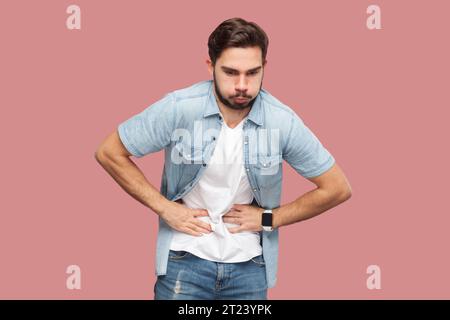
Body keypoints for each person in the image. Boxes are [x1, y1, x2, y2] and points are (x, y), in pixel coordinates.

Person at [95, 17, 352, 300]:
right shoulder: (179, 108)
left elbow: (337, 188)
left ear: (264, 68)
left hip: (250, 266)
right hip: (184, 259)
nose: (242, 85)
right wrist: (165, 208)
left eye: (252, 73)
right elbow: (109, 152)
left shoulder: (281, 121)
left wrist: (270, 218)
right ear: (210, 66)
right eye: (230, 72)